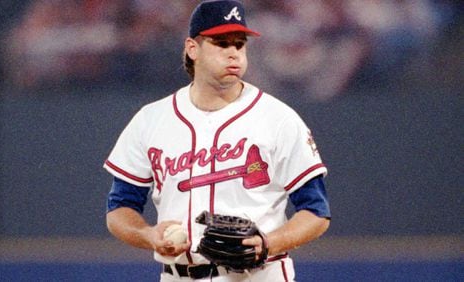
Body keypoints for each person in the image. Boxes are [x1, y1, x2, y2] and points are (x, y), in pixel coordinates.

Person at [103, 1, 331, 281]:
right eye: (221, 44)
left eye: (240, 44)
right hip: (178, 276)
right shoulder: (151, 119)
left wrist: (268, 243)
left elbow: (316, 212)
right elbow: (119, 209)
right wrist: (148, 235)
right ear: (192, 48)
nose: (234, 53)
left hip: (257, 275)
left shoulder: (279, 119)